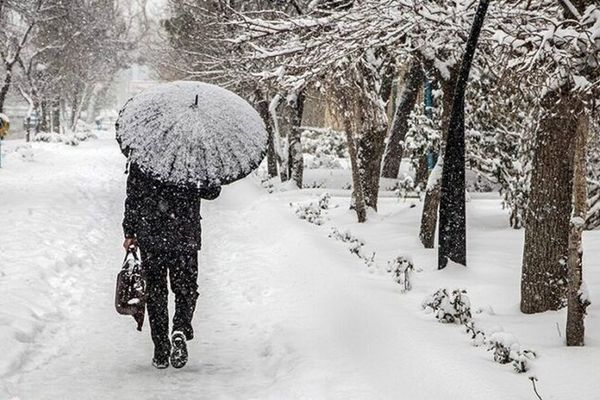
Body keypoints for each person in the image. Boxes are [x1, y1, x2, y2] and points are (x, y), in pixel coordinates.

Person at [122, 162, 221, 369]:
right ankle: (181, 328)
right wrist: (198, 180)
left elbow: (133, 196)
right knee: (186, 288)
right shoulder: (194, 156)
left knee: (156, 292)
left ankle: (160, 349)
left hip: (151, 233)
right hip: (184, 234)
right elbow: (213, 192)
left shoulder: (145, 154)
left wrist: (129, 233)